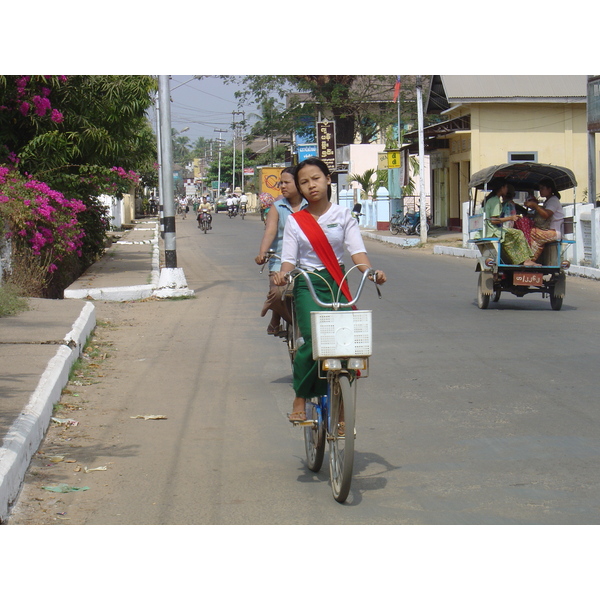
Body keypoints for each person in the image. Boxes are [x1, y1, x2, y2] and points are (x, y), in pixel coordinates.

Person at [273, 158, 386, 424]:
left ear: (327, 180)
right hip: (308, 283)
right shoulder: (296, 221)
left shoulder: (342, 215)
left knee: (347, 343)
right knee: (313, 341)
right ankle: (300, 396)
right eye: (304, 182)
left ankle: (342, 402)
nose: (311, 185)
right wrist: (283, 274)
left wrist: (371, 273)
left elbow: (357, 252)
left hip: (337, 281)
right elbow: (289, 258)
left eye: (315, 178)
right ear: (299, 189)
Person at [255, 167, 308, 334]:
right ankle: (297, 324)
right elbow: (270, 232)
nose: (282, 186)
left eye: (287, 182)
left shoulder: (310, 206)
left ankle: (276, 316)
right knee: (277, 294)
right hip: (279, 260)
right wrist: (262, 253)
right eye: (281, 183)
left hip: (307, 262)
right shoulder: (277, 207)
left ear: (298, 184)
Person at [483, 180, 535, 266]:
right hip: (494, 230)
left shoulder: (494, 200)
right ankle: (526, 260)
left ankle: (521, 259)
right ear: (502, 188)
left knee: (514, 235)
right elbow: (493, 220)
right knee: (519, 233)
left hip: (493, 229)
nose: (507, 189)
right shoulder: (495, 201)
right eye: (506, 187)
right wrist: (510, 218)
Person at [525, 178, 564, 265]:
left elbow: (546, 215)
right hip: (547, 230)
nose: (540, 191)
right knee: (530, 232)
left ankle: (530, 260)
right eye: (540, 188)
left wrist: (535, 206)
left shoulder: (553, 200)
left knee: (532, 232)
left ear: (549, 189)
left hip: (554, 232)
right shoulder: (548, 201)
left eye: (543, 188)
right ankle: (530, 259)